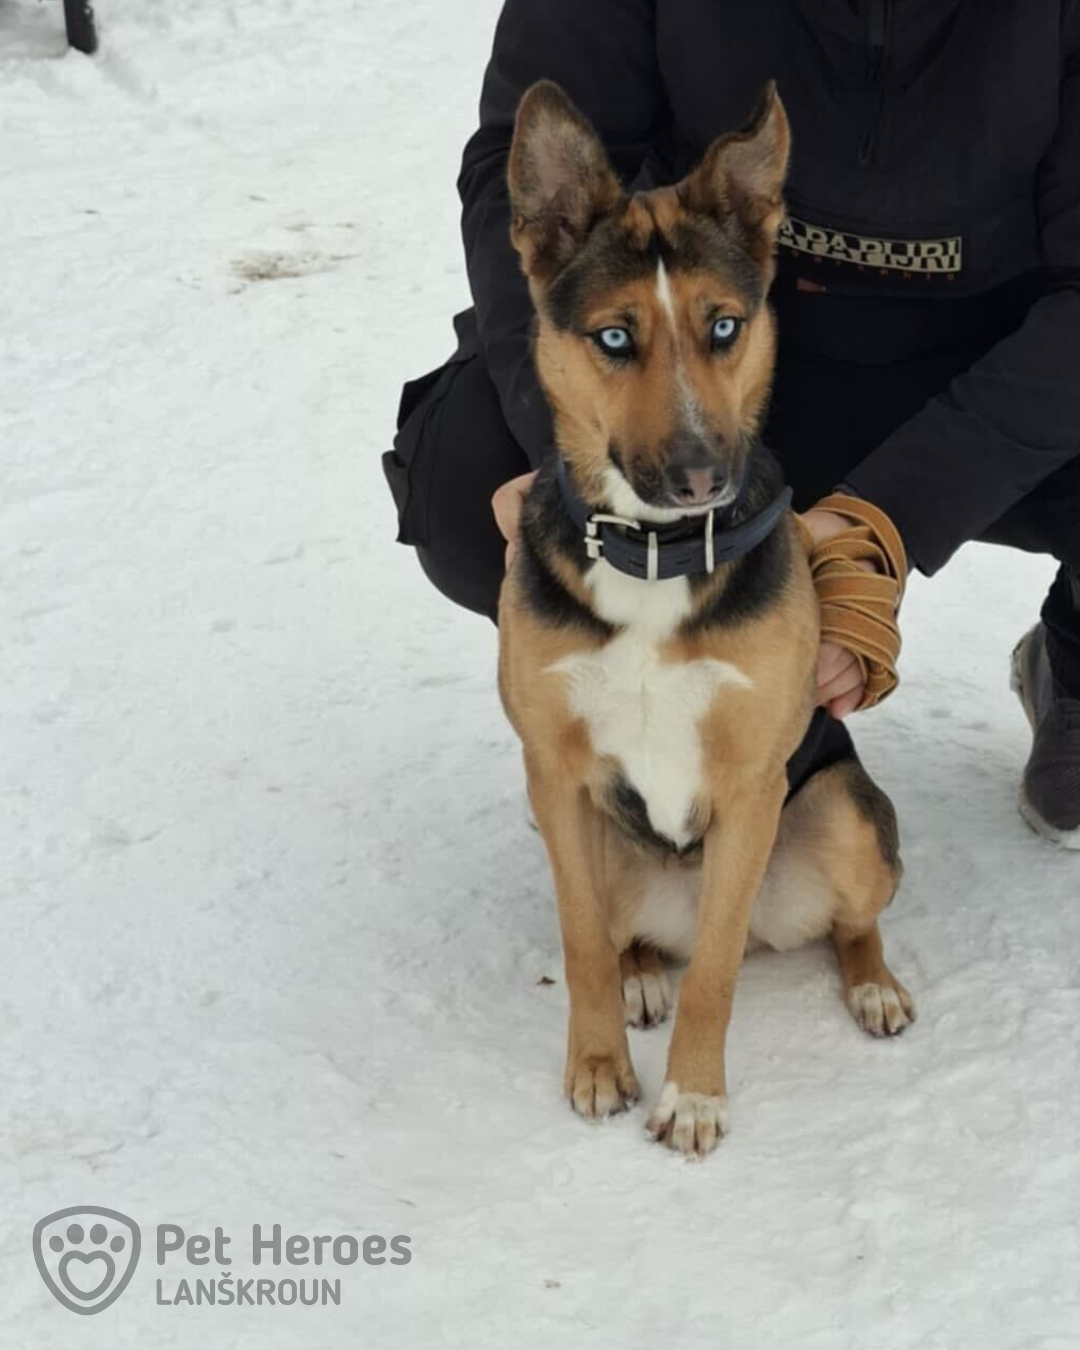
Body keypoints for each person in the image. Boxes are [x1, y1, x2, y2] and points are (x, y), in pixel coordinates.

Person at [383, 0, 1080, 847]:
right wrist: (568, 455)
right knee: (466, 476)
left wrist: (887, 520)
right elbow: (518, 172)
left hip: (1004, 357)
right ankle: (661, 718)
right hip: (713, 352)